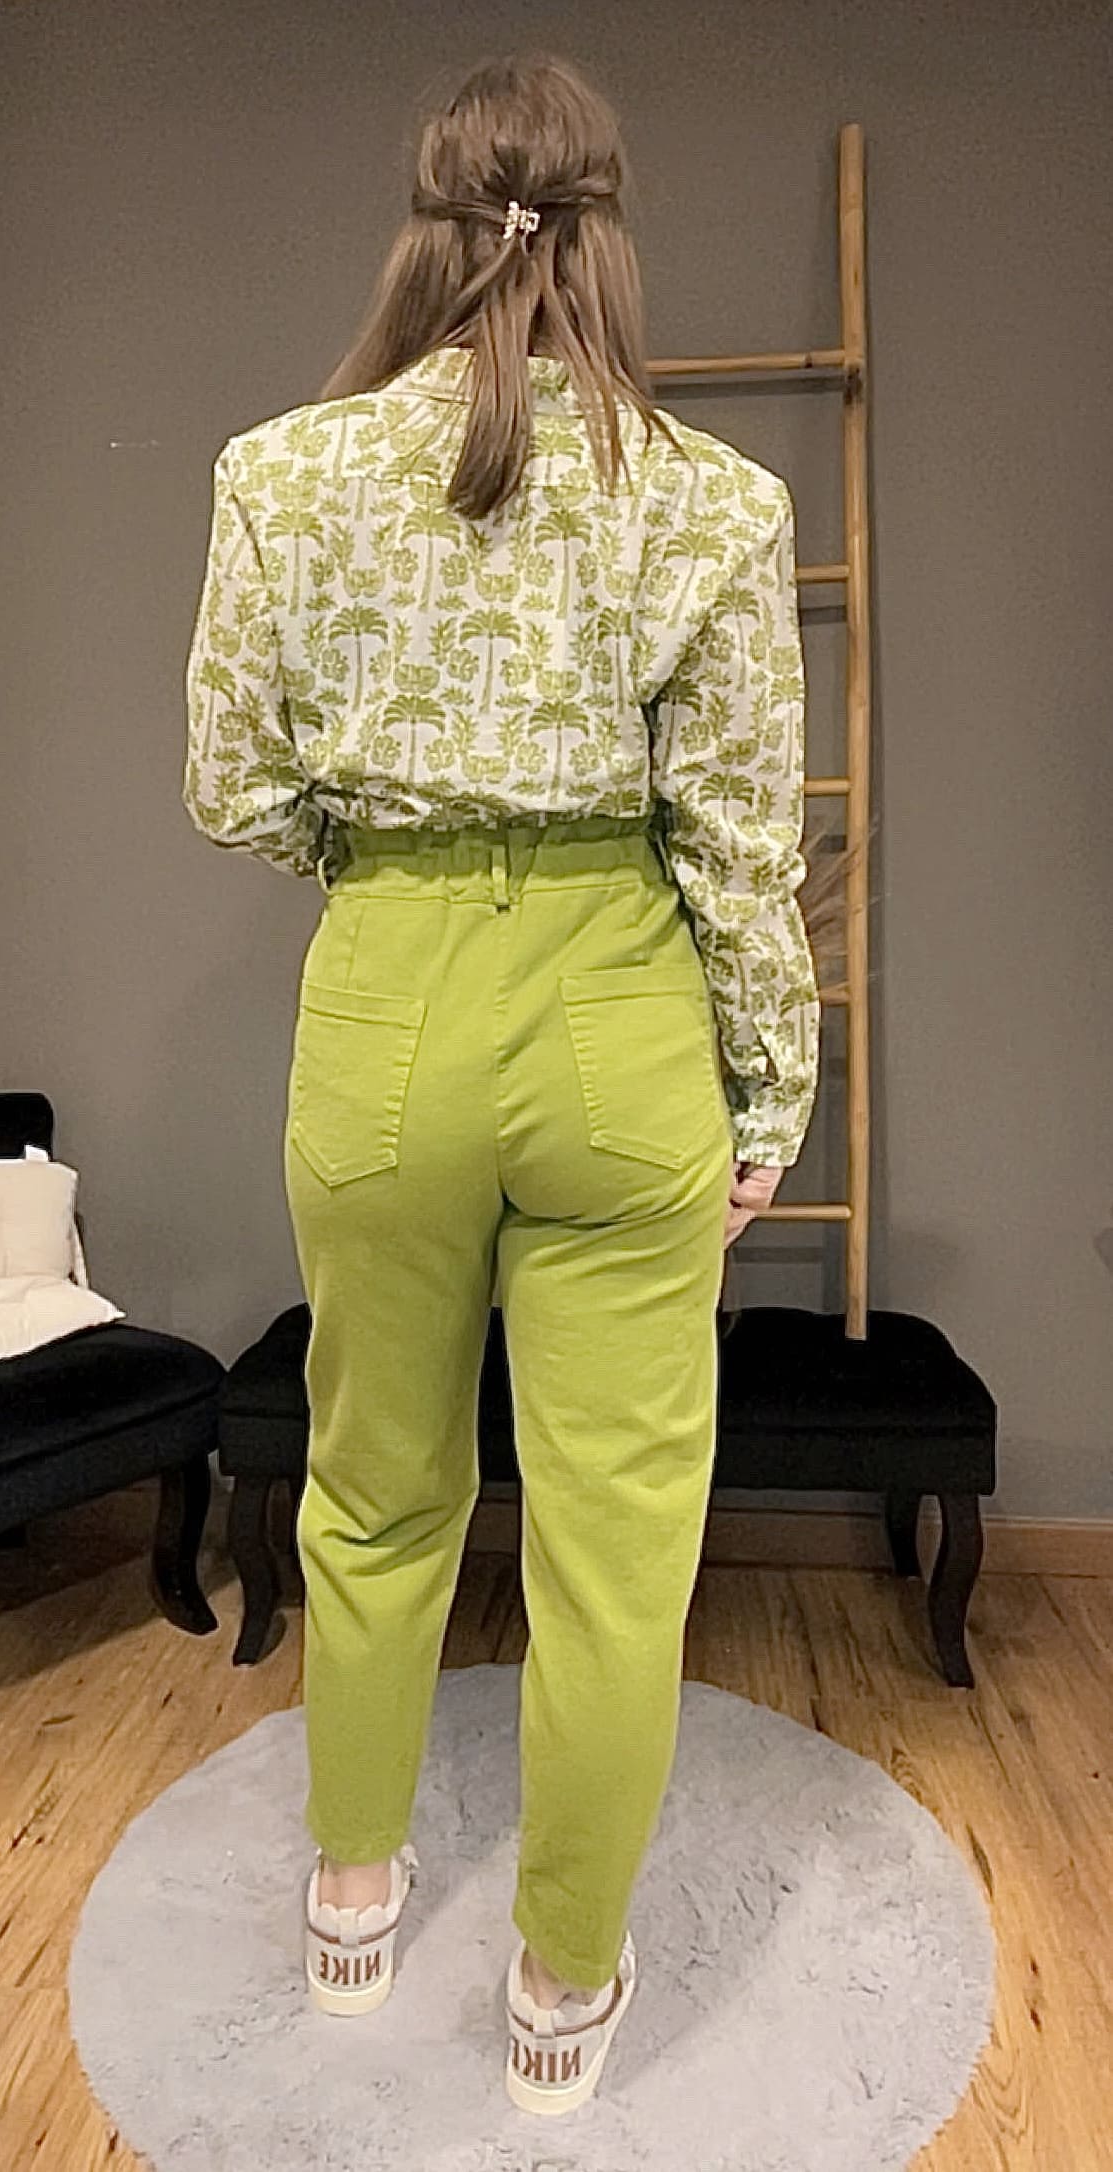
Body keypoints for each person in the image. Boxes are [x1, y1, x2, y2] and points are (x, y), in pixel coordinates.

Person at [183, 48, 822, 2120]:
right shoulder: (716, 502)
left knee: (372, 1485)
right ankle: (561, 1993)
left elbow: (231, 788)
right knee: (619, 1539)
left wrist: (385, 871)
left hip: (384, 1013)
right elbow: (741, 843)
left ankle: (351, 1903)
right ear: (603, 231)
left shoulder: (280, 474)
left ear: (428, 222)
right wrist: (768, 1100)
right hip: (620, 1023)